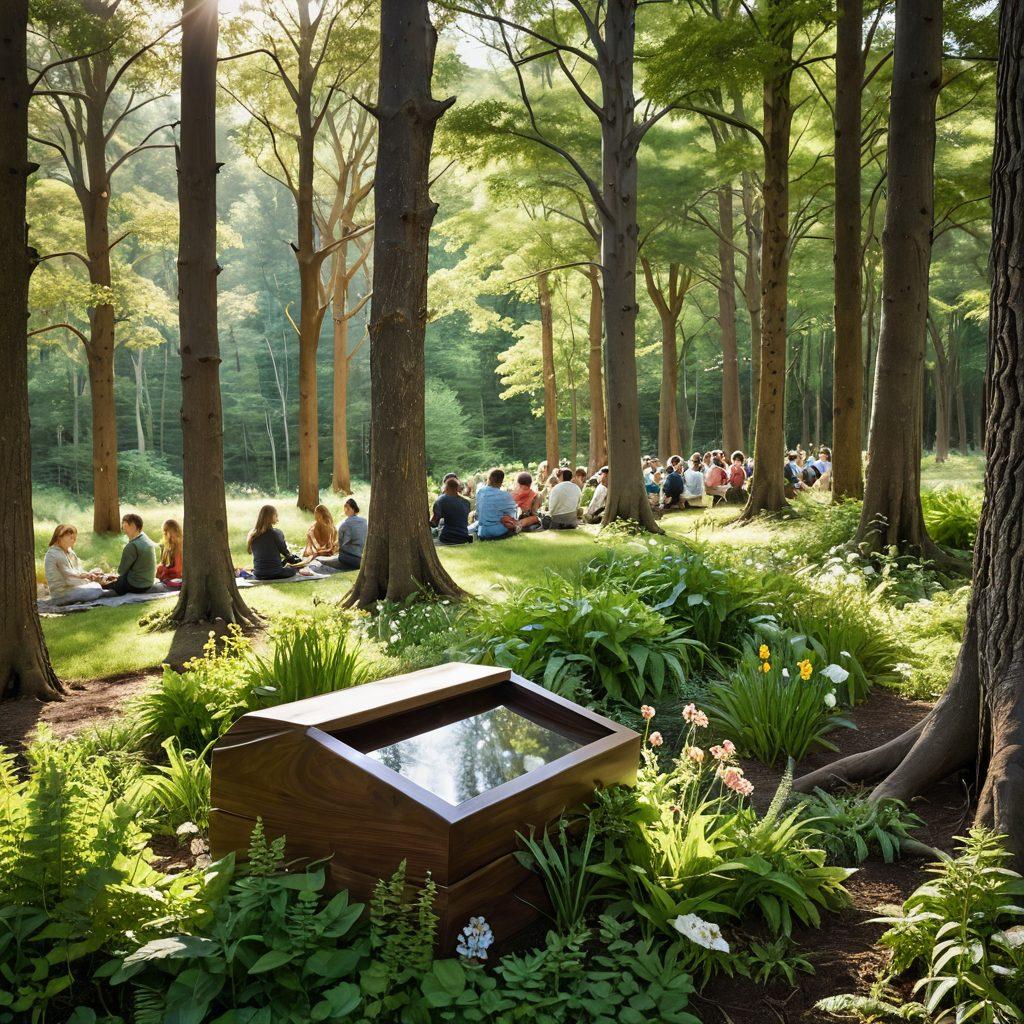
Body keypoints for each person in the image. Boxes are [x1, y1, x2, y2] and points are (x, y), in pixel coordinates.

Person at [44, 524, 105, 604]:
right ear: (59, 537)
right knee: (96, 588)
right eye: (71, 538)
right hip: (61, 594)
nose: (73, 541)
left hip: (73, 587)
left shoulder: (69, 551)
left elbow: (78, 570)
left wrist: (90, 574)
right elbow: (68, 574)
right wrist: (86, 577)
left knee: (97, 575)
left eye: (74, 538)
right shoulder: (53, 554)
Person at [101, 514, 158, 595]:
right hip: (149, 582)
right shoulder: (145, 538)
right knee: (116, 578)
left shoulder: (132, 545)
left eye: (126, 526)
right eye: (123, 526)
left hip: (136, 585)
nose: (124, 529)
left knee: (104, 585)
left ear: (134, 526)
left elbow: (121, 571)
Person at [247, 505, 304, 580]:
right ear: (271, 516)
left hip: (258, 573)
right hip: (275, 573)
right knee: (293, 569)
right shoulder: (276, 533)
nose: (278, 519)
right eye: (276, 516)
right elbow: (285, 552)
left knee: (286, 562)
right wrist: (294, 560)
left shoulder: (252, 533)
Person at [476, 468, 530, 539]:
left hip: (481, 532)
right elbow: (512, 516)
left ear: (488, 479)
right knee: (512, 523)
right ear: (501, 482)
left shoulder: (480, 492)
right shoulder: (505, 495)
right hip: (497, 531)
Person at [320, 498, 367, 570]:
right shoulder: (364, 522)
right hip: (360, 558)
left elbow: (340, 543)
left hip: (348, 558)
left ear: (347, 508)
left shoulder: (345, 524)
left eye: (345, 507)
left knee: (326, 559)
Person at [431, 476, 473, 544]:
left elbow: (434, 523)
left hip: (447, 538)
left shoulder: (441, 500)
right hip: (463, 537)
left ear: (446, 488)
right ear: (458, 489)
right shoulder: (466, 502)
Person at [156, 518, 184, 587]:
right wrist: (160, 568)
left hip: (177, 579)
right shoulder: (168, 546)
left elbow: (178, 571)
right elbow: (164, 564)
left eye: (165, 532)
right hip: (169, 578)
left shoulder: (180, 546)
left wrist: (165, 571)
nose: (164, 534)